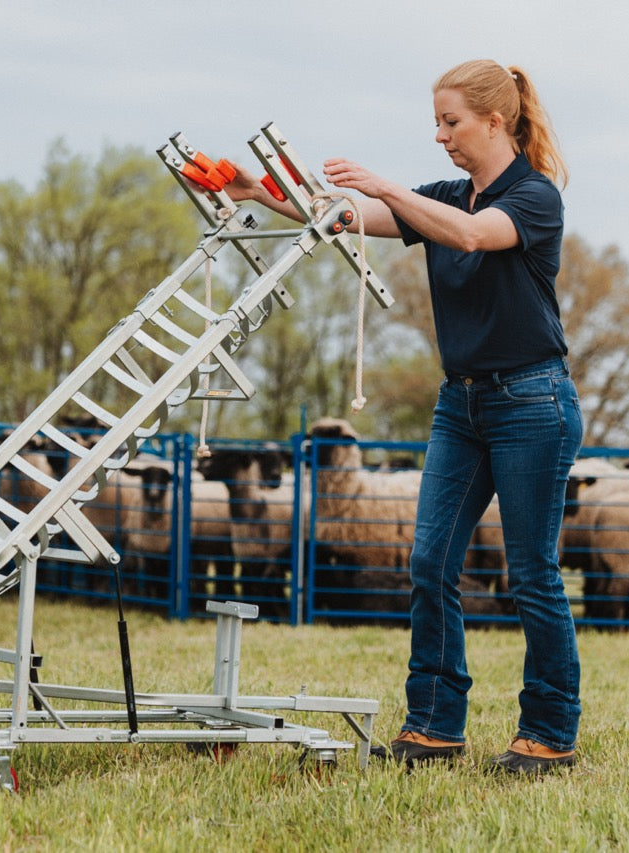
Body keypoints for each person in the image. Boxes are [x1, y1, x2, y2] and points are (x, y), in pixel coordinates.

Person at [225, 59, 582, 775]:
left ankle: (549, 732)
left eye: (451, 122)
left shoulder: (535, 198)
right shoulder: (447, 195)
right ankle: (434, 727)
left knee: (532, 572)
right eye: (437, 122)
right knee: (428, 561)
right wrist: (262, 189)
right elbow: (349, 213)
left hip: (533, 403)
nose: (441, 135)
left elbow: (475, 236)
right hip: (463, 404)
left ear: (494, 120)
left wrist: (384, 181)